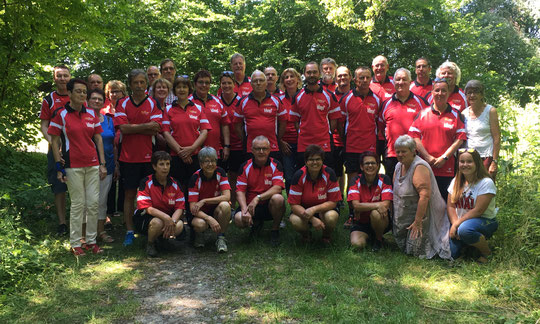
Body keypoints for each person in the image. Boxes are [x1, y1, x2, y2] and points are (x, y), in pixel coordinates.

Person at [48, 78, 107, 255]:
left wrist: (102, 164)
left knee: (93, 203)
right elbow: (55, 140)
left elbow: (98, 139)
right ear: (70, 93)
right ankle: (75, 243)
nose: (82, 94)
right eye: (78, 91)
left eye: (84, 92)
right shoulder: (61, 114)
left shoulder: (91, 114)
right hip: (72, 165)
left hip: (93, 164)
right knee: (78, 204)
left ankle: (90, 241)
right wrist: (59, 166)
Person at [114, 69, 162, 246]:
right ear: (130, 84)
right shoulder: (123, 103)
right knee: (129, 195)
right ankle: (129, 230)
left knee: (151, 195)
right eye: (136, 83)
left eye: (142, 82)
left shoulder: (152, 102)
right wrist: (145, 126)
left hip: (148, 158)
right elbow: (123, 129)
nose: (140, 86)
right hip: (128, 158)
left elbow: (156, 127)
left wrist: (132, 126)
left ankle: (149, 227)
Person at [392, 135, 451, 259]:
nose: (400, 154)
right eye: (398, 151)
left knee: (417, 252)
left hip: (425, 216)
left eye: (404, 151)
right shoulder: (398, 166)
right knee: (404, 248)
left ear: (413, 151)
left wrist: (418, 221)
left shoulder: (419, 167)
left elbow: (424, 196)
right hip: (406, 213)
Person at [409, 78, 467, 201]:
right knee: (424, 201)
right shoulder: (423, 113)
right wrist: (427, 156)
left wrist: (445, 157)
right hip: (424, 166)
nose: (440, 94)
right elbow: (414, 136)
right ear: (432, 92)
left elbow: (460, 139)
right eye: (437, 90)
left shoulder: (456, 115)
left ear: (448, 93)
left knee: (445, 203)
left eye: (444, 91)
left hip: (447, 168)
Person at [447, 148, 498, 263]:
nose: (465, 165)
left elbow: (478, 211)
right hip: (460, 222)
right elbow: (450, 206)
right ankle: (470, 247)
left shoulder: (486, 183)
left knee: (465, 230)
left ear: (477, 163)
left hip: (484, 221)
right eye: (462, 161)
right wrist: (455, 223)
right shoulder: (456, 181)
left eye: (469, 161)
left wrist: (456, 225)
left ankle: (486, 253)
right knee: (453, 254)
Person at [162, 76, 211, 193]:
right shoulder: (168, 109)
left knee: (193, 187)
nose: (182, 90)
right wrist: (181, 153)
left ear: (189, 89)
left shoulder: (198, 108)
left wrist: (192, 149)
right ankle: (178, 210)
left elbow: (204, 131)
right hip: (175, 156)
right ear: (174, 90)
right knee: (176, 188)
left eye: (184, 87)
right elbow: (166, 132)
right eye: (178, 87)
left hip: (195, 156)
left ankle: (191, 211)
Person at [234, 136, 285, 246]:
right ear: (252, 150)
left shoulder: (276, 165)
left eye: (264, 149)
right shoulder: (245, 166)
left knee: (278, 198)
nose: (261, 152)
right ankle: (255, 224)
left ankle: (275, 230)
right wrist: (244, 210)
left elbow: (278, 187)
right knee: (238, 219)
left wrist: (258, 198)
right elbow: (240, 191)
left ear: (269, 150)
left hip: (269, 205)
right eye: (257, 149)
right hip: (250, 206)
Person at [290, 61, 341, 169]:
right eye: (309, 72)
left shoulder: (329, 95)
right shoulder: (297, 96)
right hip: (304, 144)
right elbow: (295, 121)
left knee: (327, 176)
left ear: (319, 74)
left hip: (324, 144)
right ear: (304, 74)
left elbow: (334, 120)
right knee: (303, 176)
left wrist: (323, 131)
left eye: (314, 72)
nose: (312, 75)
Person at [39, 64, 71, 235]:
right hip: (55, 147)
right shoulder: (49, 99)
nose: (62, 79)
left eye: (65, 75)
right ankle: (62, 223)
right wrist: (54, 144)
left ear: (70, 77)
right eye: (59, 76)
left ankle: (79, 220)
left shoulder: (78, 95)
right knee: (59, 185)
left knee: (77, 183)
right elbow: (44, 125)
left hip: (75, 147)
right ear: (54, 78)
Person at [134, 151, 185, 257]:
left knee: (179, 225)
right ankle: (150, 244)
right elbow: (147, 208)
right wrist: (166, 218)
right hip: (147, 218)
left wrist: (172, 221)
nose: (165, 167)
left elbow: (180, 207)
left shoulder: (175, 183)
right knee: (157, 222)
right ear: (154, 166)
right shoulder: (146, 182)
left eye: (168, 164)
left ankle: (162, 241)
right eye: (161, 164)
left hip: (169, 218)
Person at [379, 68, 427, 178]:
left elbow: (427, 127)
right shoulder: (386, 104)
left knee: (415, 185)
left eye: (404, 79)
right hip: (392, 154)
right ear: (394, 82)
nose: (401, 82)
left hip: (415, 153)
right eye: (398, 79)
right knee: (393, 187)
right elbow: (381, 128)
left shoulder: (421, 103)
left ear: (410, 82)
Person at [288, 145, 341, 243]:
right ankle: (306, 235)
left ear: (322, 160)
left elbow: (333, 202)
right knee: (296, 221)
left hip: (324, 210)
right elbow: (294, 205)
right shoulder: (298, 175)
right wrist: (312, 219)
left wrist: (314, 209)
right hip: (303, 210)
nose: (315, 162)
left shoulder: (330, 173)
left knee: (331, 217)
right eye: (311, 160)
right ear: (306, 162)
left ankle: (326, 236)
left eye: (318, 159)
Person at [340, 66, 382, 182]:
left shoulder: (377, 100)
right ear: (354, 80)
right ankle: (350, 201)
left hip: (370, 147)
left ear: (370, 79)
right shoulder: (346, 99)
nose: (364, 80)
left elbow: (379, 124)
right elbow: (340, 124)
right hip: (352, 146)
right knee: (353, 181)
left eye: (367, 77)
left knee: (370, 178)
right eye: (361, 77)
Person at [234, 70, 287, 159]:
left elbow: (283, 122)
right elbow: (237, 125)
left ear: (266, 83)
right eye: (255, 81)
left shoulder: (276, 100)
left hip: (272, 147)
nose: (258, 83)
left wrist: (277, 137)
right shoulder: (243, 101)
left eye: (261, 80)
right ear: (251, 84)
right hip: (251, 148)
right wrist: (245, 139)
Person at [188, 147, 231, 252]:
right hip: (199, 214)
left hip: (214, 209)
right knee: (200, 224)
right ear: (201, 164)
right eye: (207, 161)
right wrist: (209, 218)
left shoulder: (220, 173)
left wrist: (205, 200)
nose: (211, 164)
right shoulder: (195, 178)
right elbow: (193, 208)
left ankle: (221, 238)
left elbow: (227, 196)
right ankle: (199, 235)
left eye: (213, 160)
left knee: (225, 205)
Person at [88, 88, 117, 243]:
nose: (97, 101)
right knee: (88, 201)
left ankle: (100, 231)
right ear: (88, 101)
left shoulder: (108, 120)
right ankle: (87, 233)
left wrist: (116, 163)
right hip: (87, 165)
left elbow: (113, 144)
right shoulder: (82, 118)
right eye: (93, 98)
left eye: (100, 99)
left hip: (108, 165)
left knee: (102, 200)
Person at [347, 151, 393, 251]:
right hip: (360, 222)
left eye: (373, 163)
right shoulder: (355, 180)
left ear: (378, 166)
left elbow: (385, 205)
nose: (370, 165)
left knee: (375, 214)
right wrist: (377, 205)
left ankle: (378, 239)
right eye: (367, 163)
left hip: (381, 219)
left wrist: (362, 206)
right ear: (361, 167)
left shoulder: (385, 179)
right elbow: (356, 206)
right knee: (357, 245)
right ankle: (370, 236)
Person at [462, 80, 501, 180]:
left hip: (486, 157)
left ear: (482, 94)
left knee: (485, 189)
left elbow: (496, 138)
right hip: (469, 158)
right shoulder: (464, 113)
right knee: (469, 190)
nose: (472, 95)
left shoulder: (490, 111)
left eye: (475, 92)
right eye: (469, 92)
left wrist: (494, 162)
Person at [190, 70, 230, 162]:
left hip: (215, 151)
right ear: (195, 84)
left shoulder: (217, 101)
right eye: (201, 82)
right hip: (194, 152)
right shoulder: (188, 102)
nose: (204, 85)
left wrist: (227, 146)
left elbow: (225, 124)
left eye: (207, 83)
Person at [219, 71, 243, 208]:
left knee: (234, 177)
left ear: (234, 84)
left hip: (238, 145)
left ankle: (234, 205)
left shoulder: (241, 101)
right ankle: (222, 205)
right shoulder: (216, 101)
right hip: (220, 145)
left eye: (229, 83)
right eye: (224, 83)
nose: (226, 86)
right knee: (221, 177)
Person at [278, 68, 302, 192]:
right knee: (289, 176)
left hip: (302, 143)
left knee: (302, 175)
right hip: (286, 144)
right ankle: (292, 204)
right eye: (286, 77)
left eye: (292, 76)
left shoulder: (304, 96)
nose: (289, 79)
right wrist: (280, 142)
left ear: (297, 79)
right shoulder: (279, 100)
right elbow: (274, 123)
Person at [332, 65, 352, 195]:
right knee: (336, 171)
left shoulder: (356, 95)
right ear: (335, 79)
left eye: (345, 75)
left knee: (351, 171)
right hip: (335, 141)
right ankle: (338, 198)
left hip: (353, 142)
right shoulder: (332, 96)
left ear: (350, 77)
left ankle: (351, 198)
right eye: (339, 75)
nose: (342, 78)